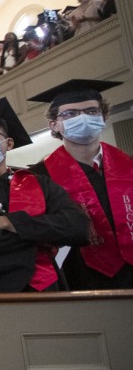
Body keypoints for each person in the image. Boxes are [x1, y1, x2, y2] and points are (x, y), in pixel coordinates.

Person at [0, 98, 89, 293]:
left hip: (51, 291)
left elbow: (78, 227)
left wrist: (11, 223)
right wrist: (45, 235)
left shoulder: (37, 182)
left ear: (9, 143)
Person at [29, 79, 133, 290]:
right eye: (70, 114)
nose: (83, 118)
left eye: (91, 111)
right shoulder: (39, 176)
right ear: (54, 124)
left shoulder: (129, 166)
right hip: (77, 278)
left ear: (104, 118)